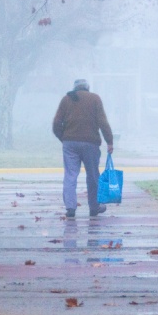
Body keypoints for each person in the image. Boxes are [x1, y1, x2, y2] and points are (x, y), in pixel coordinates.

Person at [52, 79, 113, 218]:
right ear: (87, 88)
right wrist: (109, 141)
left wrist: (64, 138)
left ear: (75, 88)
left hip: (70, 143)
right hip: (90, 144)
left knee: (70, 175)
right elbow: (103, 122)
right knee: (92, 176)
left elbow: (56, 123)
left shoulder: (66, 99)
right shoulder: (95, 99)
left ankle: (70, 208)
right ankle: (94, 207)